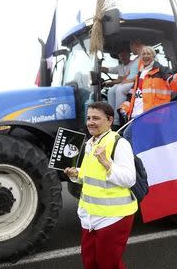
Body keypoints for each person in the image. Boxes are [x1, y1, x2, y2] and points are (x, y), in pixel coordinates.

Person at [64, 101, 137, 269]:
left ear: (110, 120)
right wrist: (77, 174)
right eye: (89, 118)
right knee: (90, 263)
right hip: (89, 216)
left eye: (96, 118)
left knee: (108, 265)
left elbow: (129, 179)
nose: (90, 122)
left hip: (113, 217)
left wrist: (106, 162)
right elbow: (93, 175)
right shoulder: (91, 143)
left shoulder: (120, 144)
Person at [120, 45, 177, 120]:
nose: (145, 56)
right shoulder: (139, 74)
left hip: (152, 116)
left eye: (148, 54)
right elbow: (132, 95)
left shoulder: (161, 71)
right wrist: (124, 108)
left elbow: (172, 82)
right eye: (143, 54)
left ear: (153, 56)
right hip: (135, 116)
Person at [101, 47, 133, 128]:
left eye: (124, 55)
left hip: (132, 85)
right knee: (111, 91)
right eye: (120, 55)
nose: (122, 57)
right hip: (123, 84)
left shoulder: (133, 64)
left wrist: (111, 82)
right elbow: (109, 69)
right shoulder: (120, 66)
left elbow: (122, 79)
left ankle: (118, 120)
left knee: (119, 89)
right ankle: (112, 118)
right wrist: (98, 67)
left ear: (129, 55)